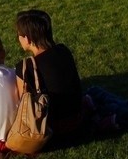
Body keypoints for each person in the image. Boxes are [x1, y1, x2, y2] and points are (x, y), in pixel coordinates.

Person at [15, 9, 83, 138]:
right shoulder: (63, 51)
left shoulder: (25, 67)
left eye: (19, 34)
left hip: (52, 127)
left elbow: (22, 105)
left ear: (27, 38)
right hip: (78, 118)